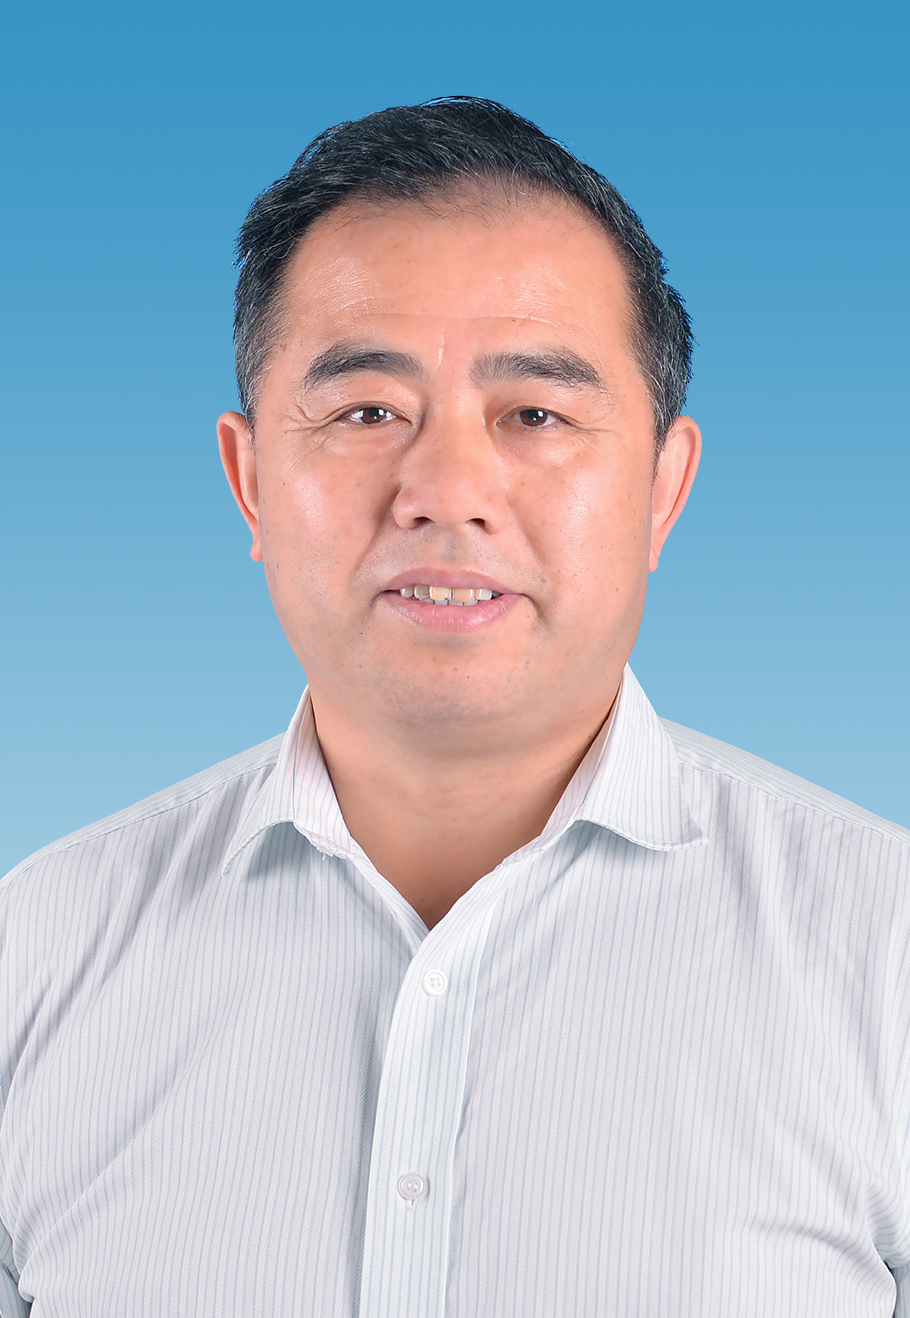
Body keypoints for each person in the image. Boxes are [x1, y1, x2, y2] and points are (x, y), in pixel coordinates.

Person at [1, 95, 908, 1318]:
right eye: (368, 411)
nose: (445, 489)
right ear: (250, 479)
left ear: (663, 487)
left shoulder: (881, 952)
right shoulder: (37, 953)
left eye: (534, 414)